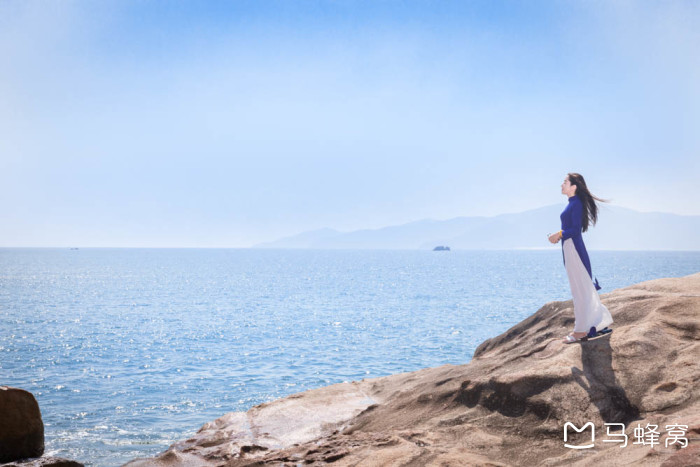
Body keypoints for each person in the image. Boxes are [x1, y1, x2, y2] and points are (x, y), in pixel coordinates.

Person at [548, 173, 613, 344]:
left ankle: (580, 331)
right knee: (580, 290)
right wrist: (560, 235)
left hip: (574, 249)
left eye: (565, 182)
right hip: (570, 248)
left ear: (574, 186)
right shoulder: (572, 203)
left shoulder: (576, 204)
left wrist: (559, 234)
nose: (562, 184)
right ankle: (589, 325)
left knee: (580, 291)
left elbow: (576, 230)